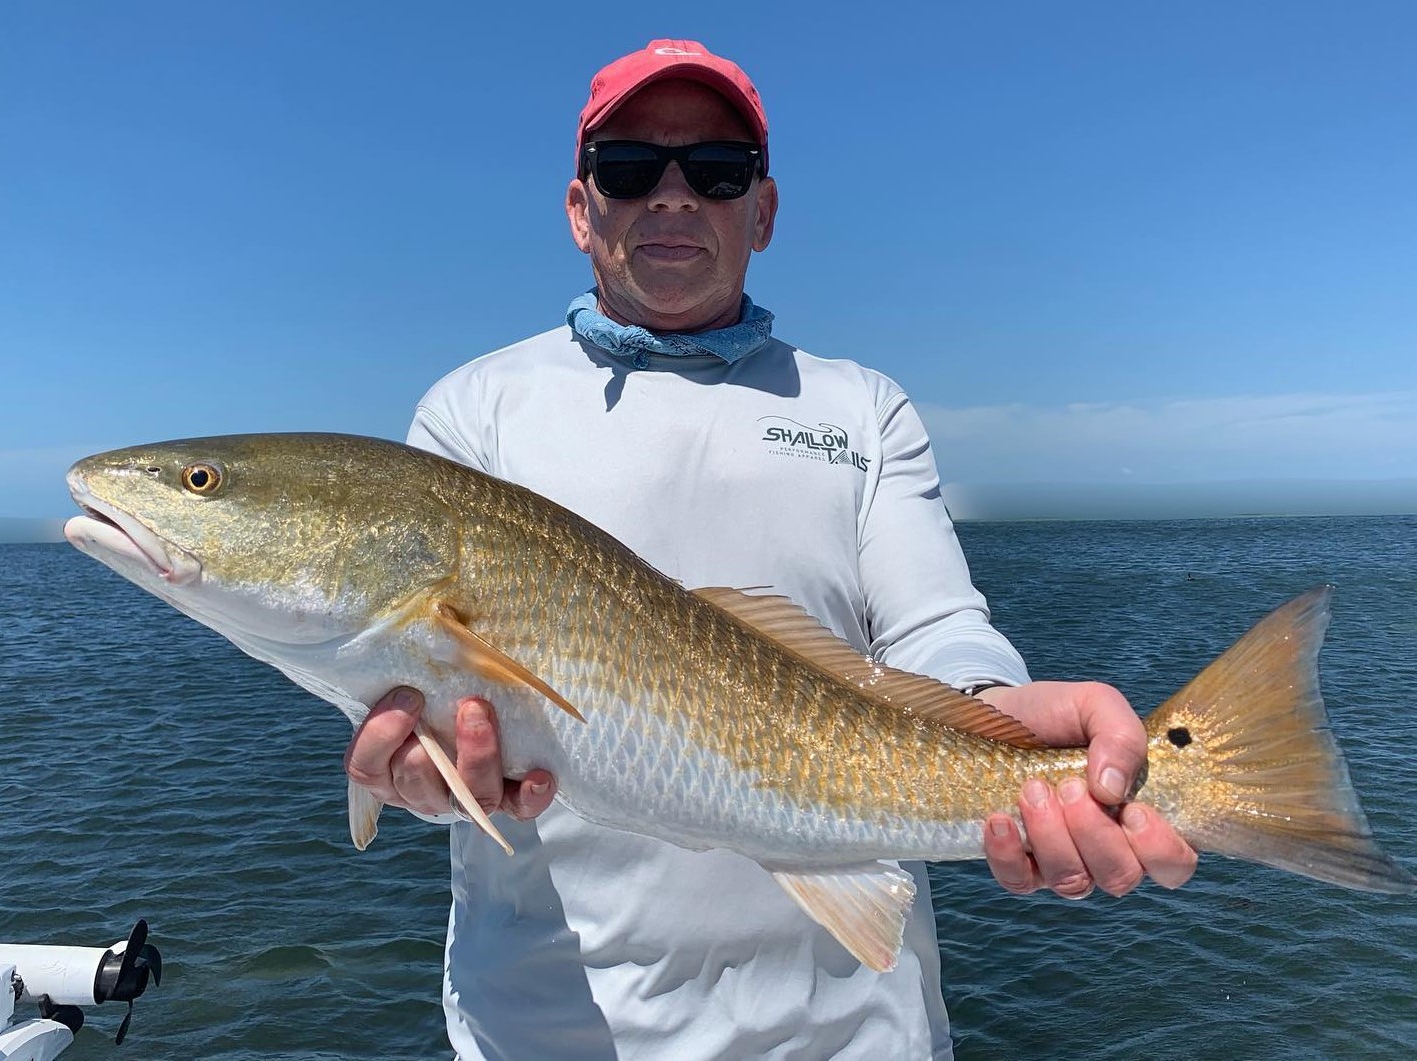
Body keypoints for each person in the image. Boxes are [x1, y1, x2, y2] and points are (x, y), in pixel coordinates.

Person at [345, 40, 1198, 1059]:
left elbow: (936, 620)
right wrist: (414, 769)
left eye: (715, 171)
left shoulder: (861, 406)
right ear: (581, 210)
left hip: (856, 1031)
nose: (670, 197)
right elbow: (429, 698)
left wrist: (996, 719)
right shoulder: (474, 411)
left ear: (764, 212)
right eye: (628, 169)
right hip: (545, 1030)